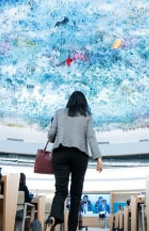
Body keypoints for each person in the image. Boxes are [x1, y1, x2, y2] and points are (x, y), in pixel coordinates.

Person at [44, 91, 103, 231]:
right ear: (84, 103)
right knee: (76, 194)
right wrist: (98, 158)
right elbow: (91, 137)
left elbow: (51, 135)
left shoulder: (59, 113)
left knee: (60, 191)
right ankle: (72, 228)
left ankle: (53, 216)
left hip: (60, 154)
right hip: (79, 156)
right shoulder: (87, 116)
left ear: (69, 101)